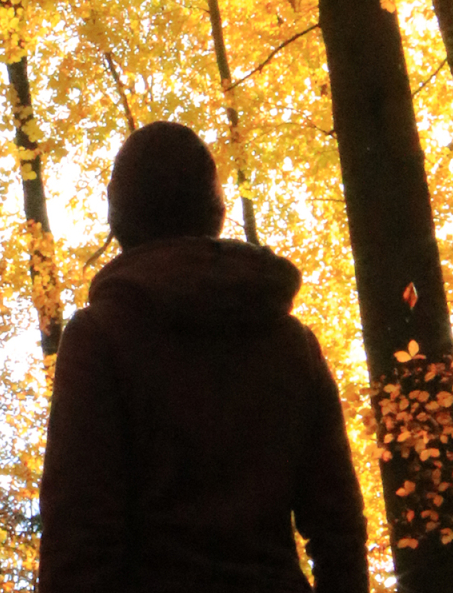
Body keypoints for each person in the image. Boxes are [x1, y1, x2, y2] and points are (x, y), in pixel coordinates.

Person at [38, 121, 368, 593]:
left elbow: (78, 535)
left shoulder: (99, 338)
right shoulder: (292, 343)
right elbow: (339, 529)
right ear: (216, 209)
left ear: (119, 212)